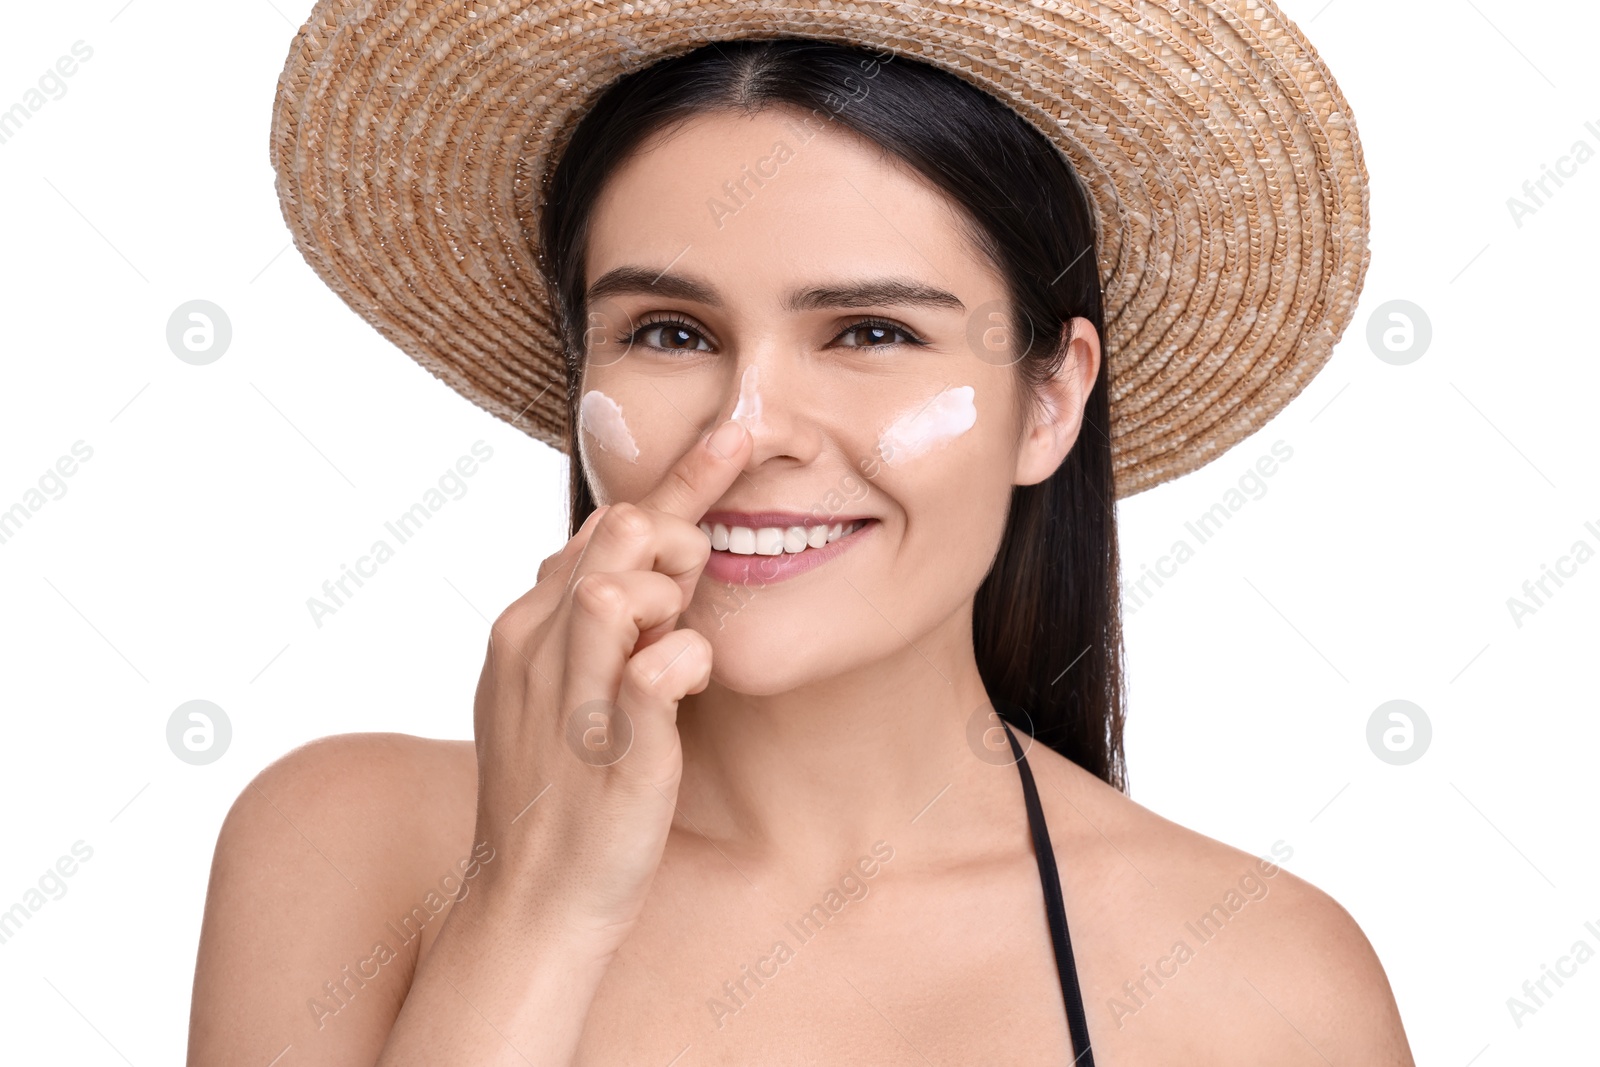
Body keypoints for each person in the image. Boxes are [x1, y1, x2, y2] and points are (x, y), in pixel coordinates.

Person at [191, 5, 1412, 1064]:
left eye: (871, 331)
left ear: (1050, 399)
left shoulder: (1262, 978)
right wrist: (535, 901)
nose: (750, 428)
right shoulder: (341, 841)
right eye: (669, 332)